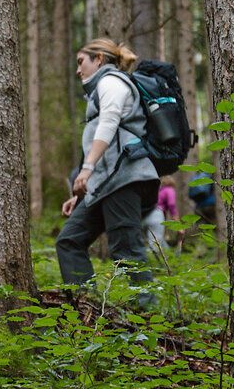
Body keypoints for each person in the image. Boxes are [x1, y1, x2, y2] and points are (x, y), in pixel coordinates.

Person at [56, 39, 162, 288]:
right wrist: (82, 192)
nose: (77, 69)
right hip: (104, 185)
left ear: (99, 59)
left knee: (127, 251)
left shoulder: (112, 82)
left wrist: (87, 168)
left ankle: (149, 316)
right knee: (69, 241)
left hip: (125, 178)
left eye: (81, 61)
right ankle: (85, 307)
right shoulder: (99, 90)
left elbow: (109, 122)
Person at [144, 176, 179, 257]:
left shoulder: (159, 191)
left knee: (159, 241)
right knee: (154, 245)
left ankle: (170, 259)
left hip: (146, 216)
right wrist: (175, 217)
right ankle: (152, 263)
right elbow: (171, 204)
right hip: (156, 216)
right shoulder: (169, 189)